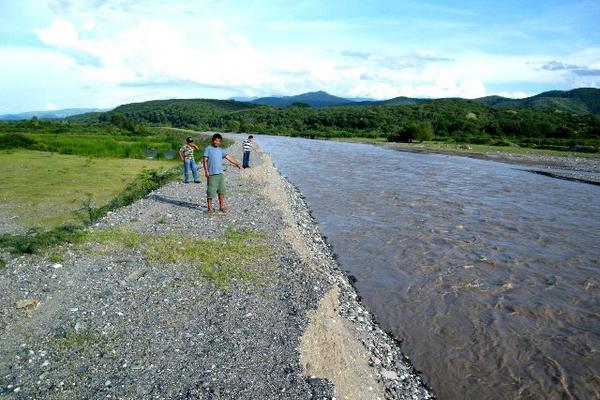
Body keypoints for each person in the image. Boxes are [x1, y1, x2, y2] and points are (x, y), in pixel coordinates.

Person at [202, 133, 242, 212]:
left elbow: (229, 157)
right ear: (212, 140)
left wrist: (238, 164)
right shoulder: (208, 149)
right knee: (210, 192)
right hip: (212, 174)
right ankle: (209, 208)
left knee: (221, 191)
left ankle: (221, 207)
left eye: (219, 141)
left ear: (220, 142)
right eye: (215, 140)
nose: (217, 142)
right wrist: (206, 171)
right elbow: (204, 160)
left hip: (220, 174)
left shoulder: (221, 150)